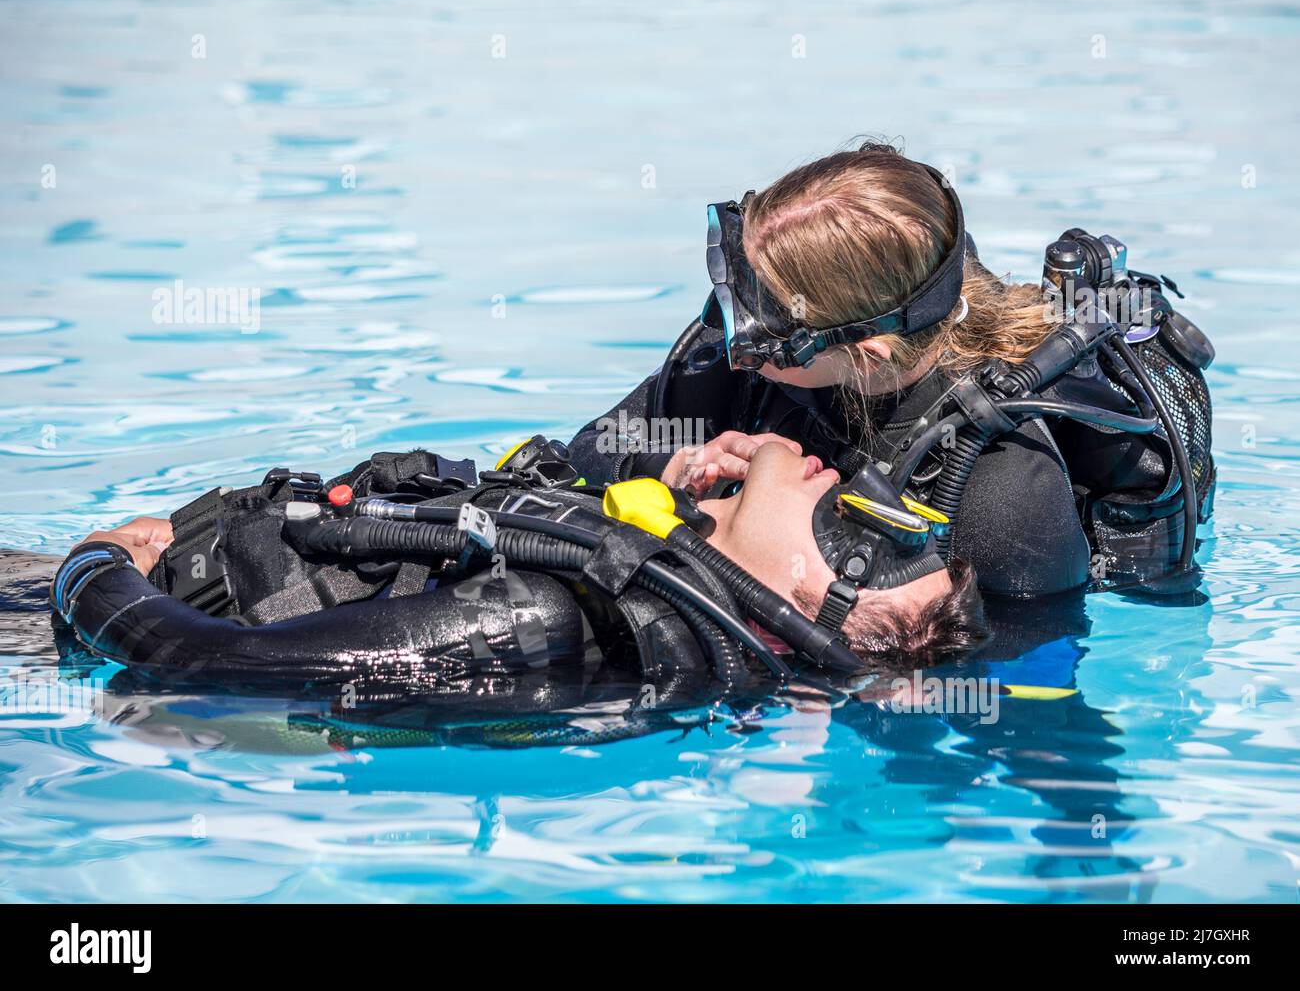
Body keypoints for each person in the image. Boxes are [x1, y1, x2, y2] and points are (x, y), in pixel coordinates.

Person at [566, 141, 1216, 598]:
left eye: (761, 331)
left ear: (865, 353)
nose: (730, 338)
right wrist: (669, 471)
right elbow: (585, 458)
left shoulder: (1003, 493)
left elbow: (1023, 709)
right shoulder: (755, 366)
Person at [49, 436, 987, 685]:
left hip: (58, 624)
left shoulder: (537, 620)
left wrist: (95, 565)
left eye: (875, 542)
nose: (868, 494)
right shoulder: (634, 565)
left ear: (794, 591)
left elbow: (190, 663)